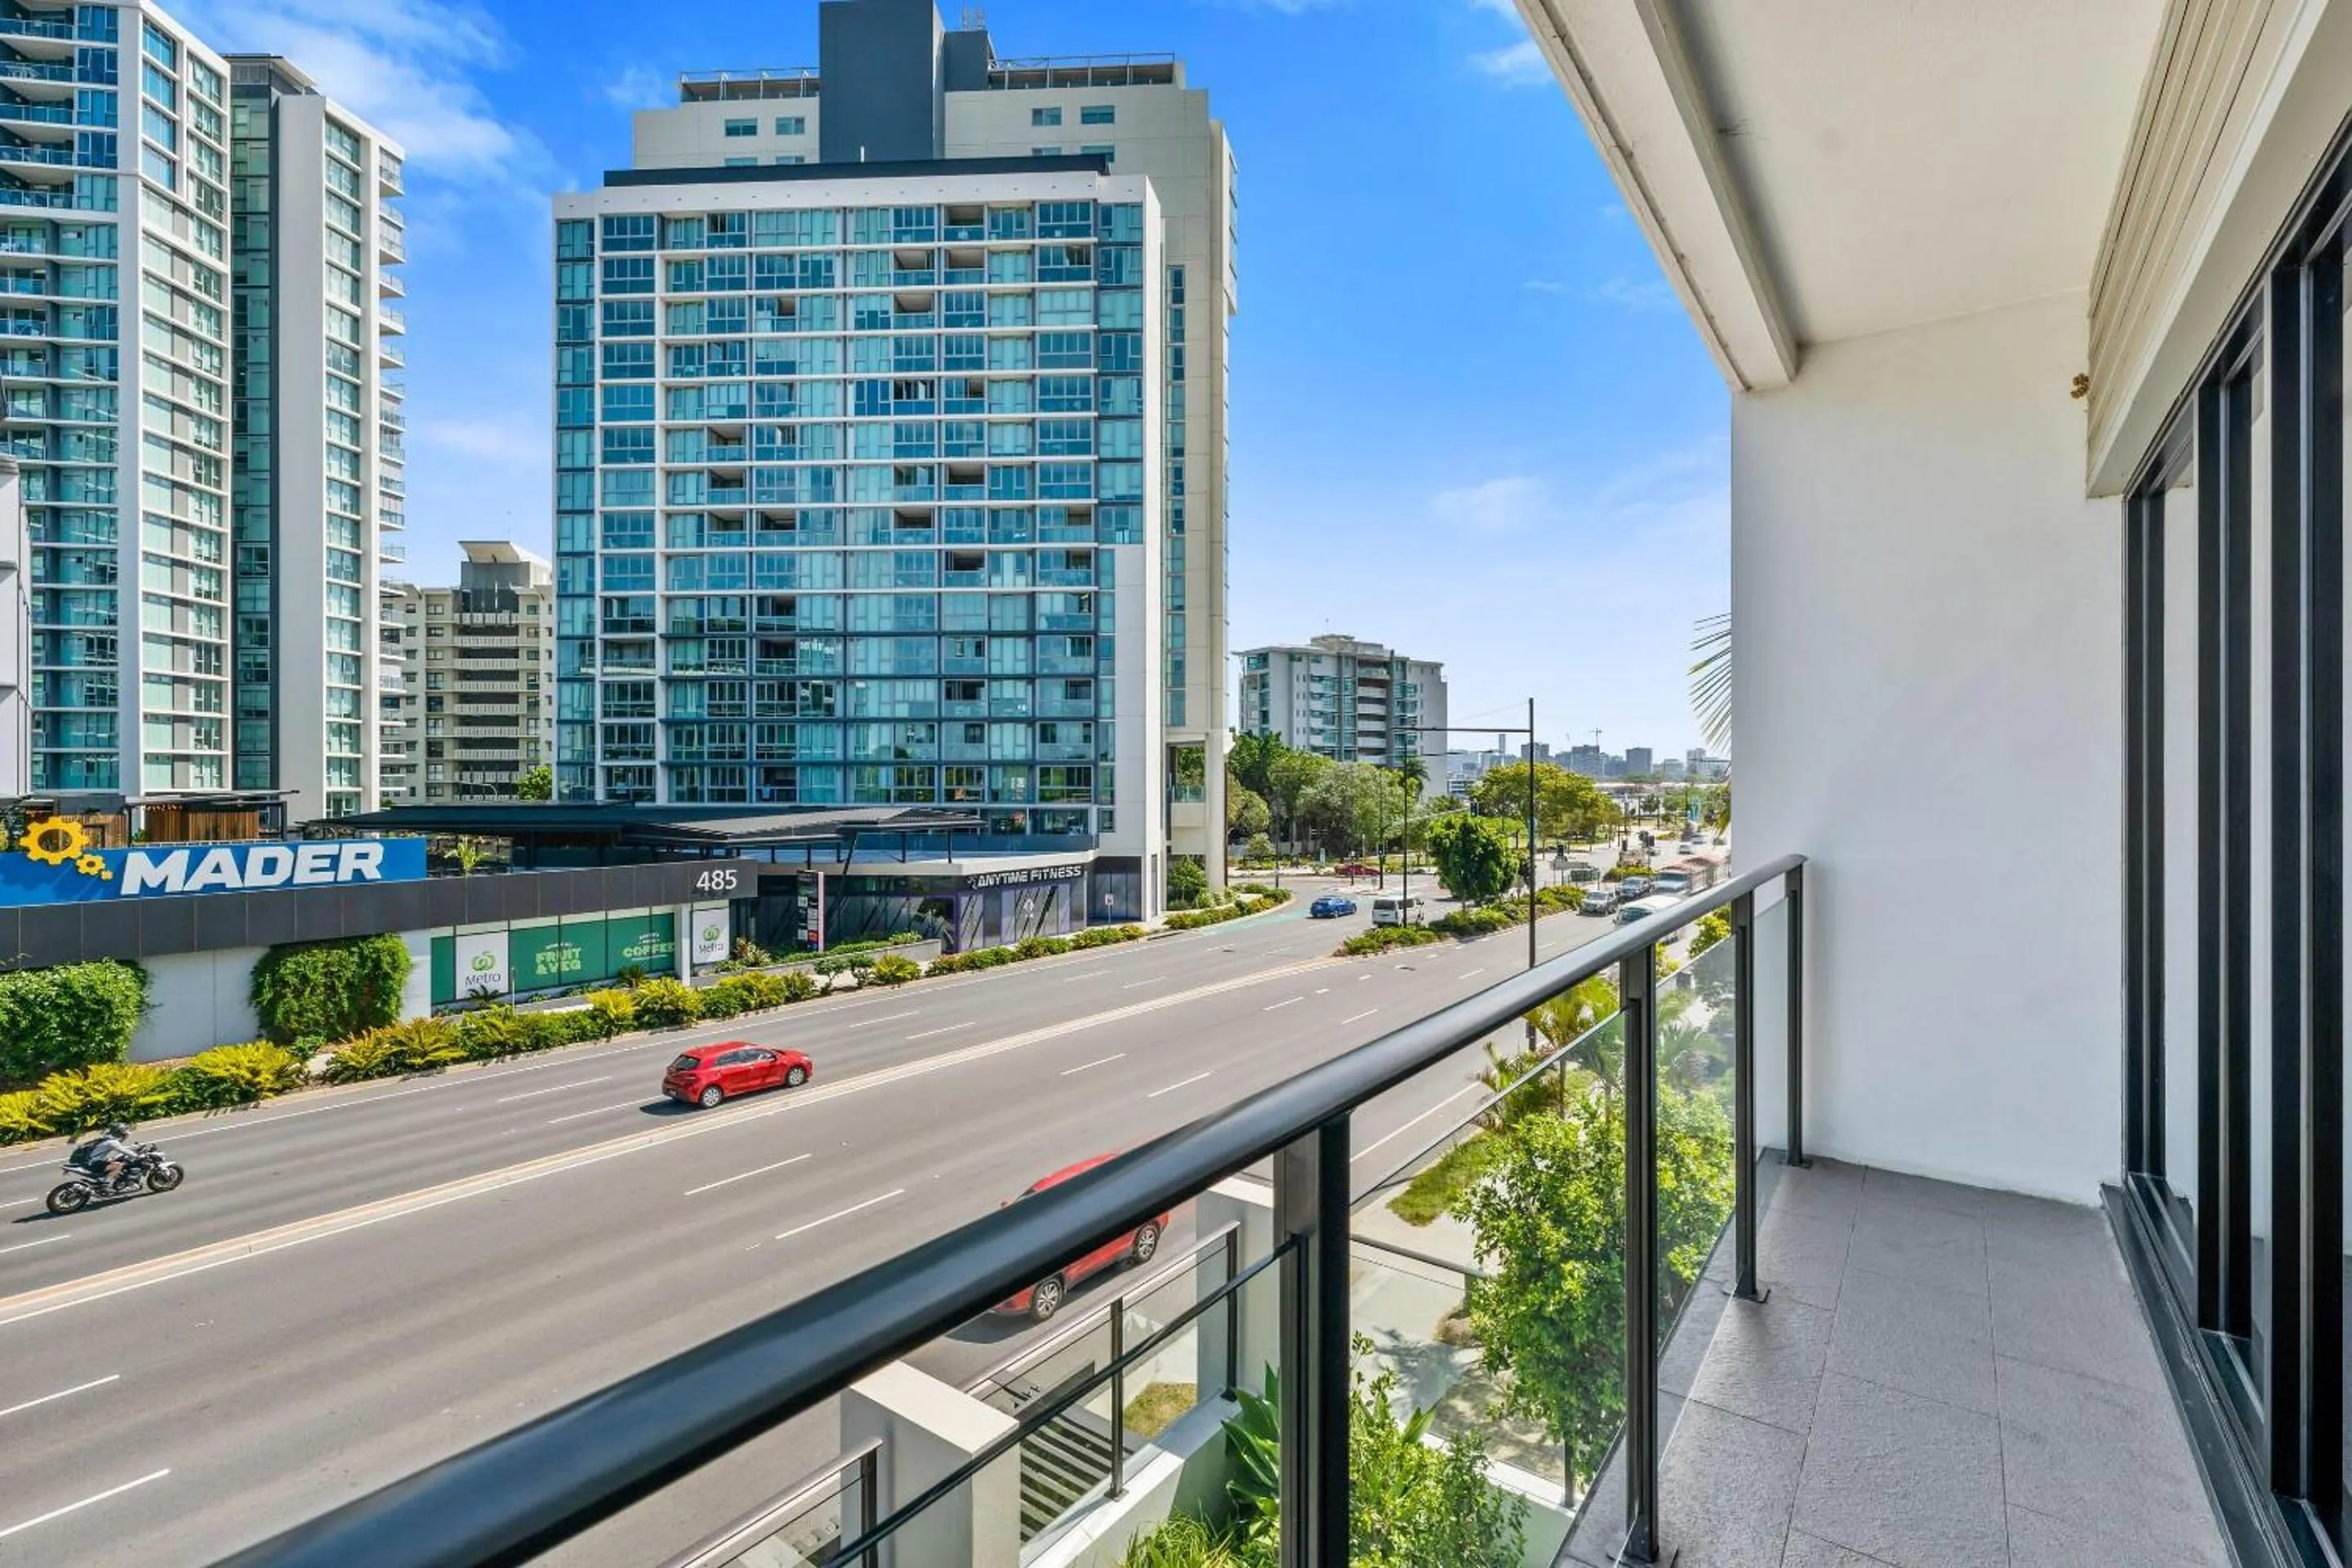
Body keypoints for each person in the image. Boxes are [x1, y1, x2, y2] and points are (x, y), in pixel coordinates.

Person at [70, 1122, 139, 1192]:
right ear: (121, 1133)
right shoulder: (113, 1142)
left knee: (112, 1161)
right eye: (126, 1133)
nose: (127, 1134)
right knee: (119, 1165)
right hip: (92, 1164)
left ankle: (114, 1180)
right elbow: (124, 1150)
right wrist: (137, 1156)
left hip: (88, 1161)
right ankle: (104, 1184)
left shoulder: (107, 1137)